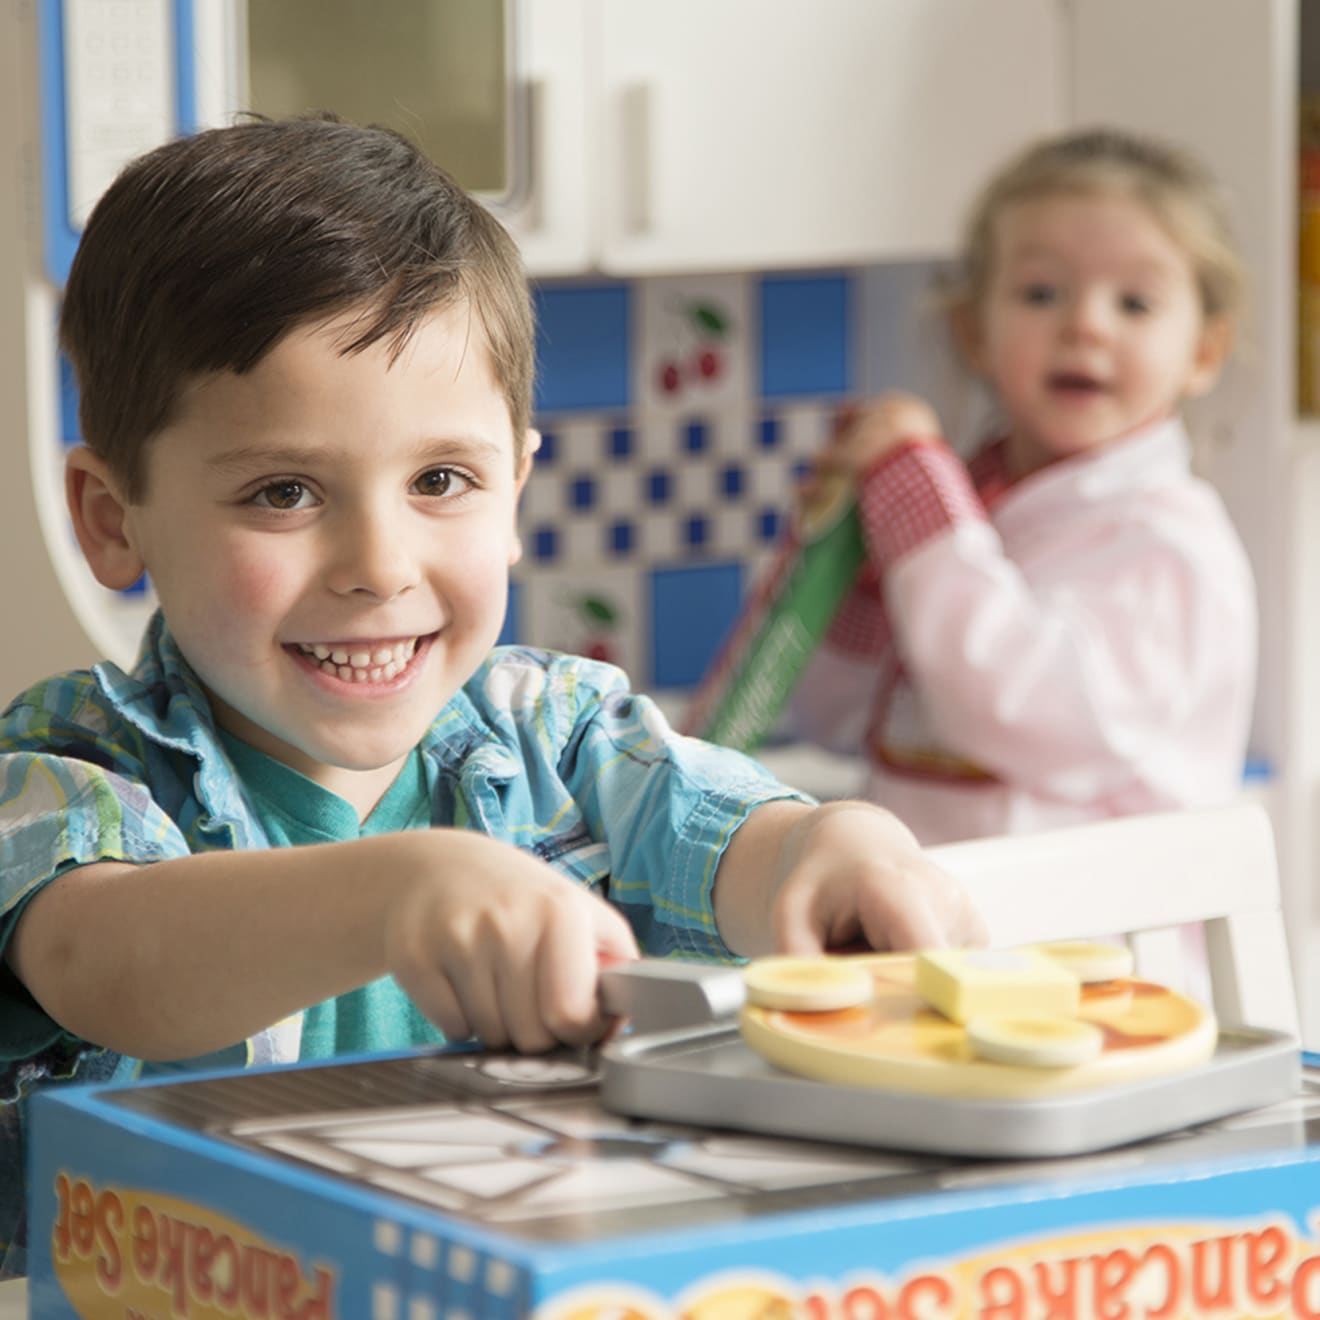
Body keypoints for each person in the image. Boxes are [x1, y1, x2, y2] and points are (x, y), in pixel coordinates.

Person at [0, 115, 983, 1278]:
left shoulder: (557, 735)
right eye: (282, 491)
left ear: (515, 488)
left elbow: (736, 842)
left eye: (441, 481)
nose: (380, 561)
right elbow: (114, 967)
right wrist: (400, 890)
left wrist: (838, 848)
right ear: (115, 519)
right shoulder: (72, 766)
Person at [790, 127, 1256, 846]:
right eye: (1041, 292)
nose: (1085, 326)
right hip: (936, 935)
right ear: (975, 331)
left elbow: (1019, 707)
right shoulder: (966, 507)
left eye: (1134, 304)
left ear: (1203, 352)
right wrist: (861, 573)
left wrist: (921, 522)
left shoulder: (1168, 542)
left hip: (1099, 949)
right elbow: (832, 718)